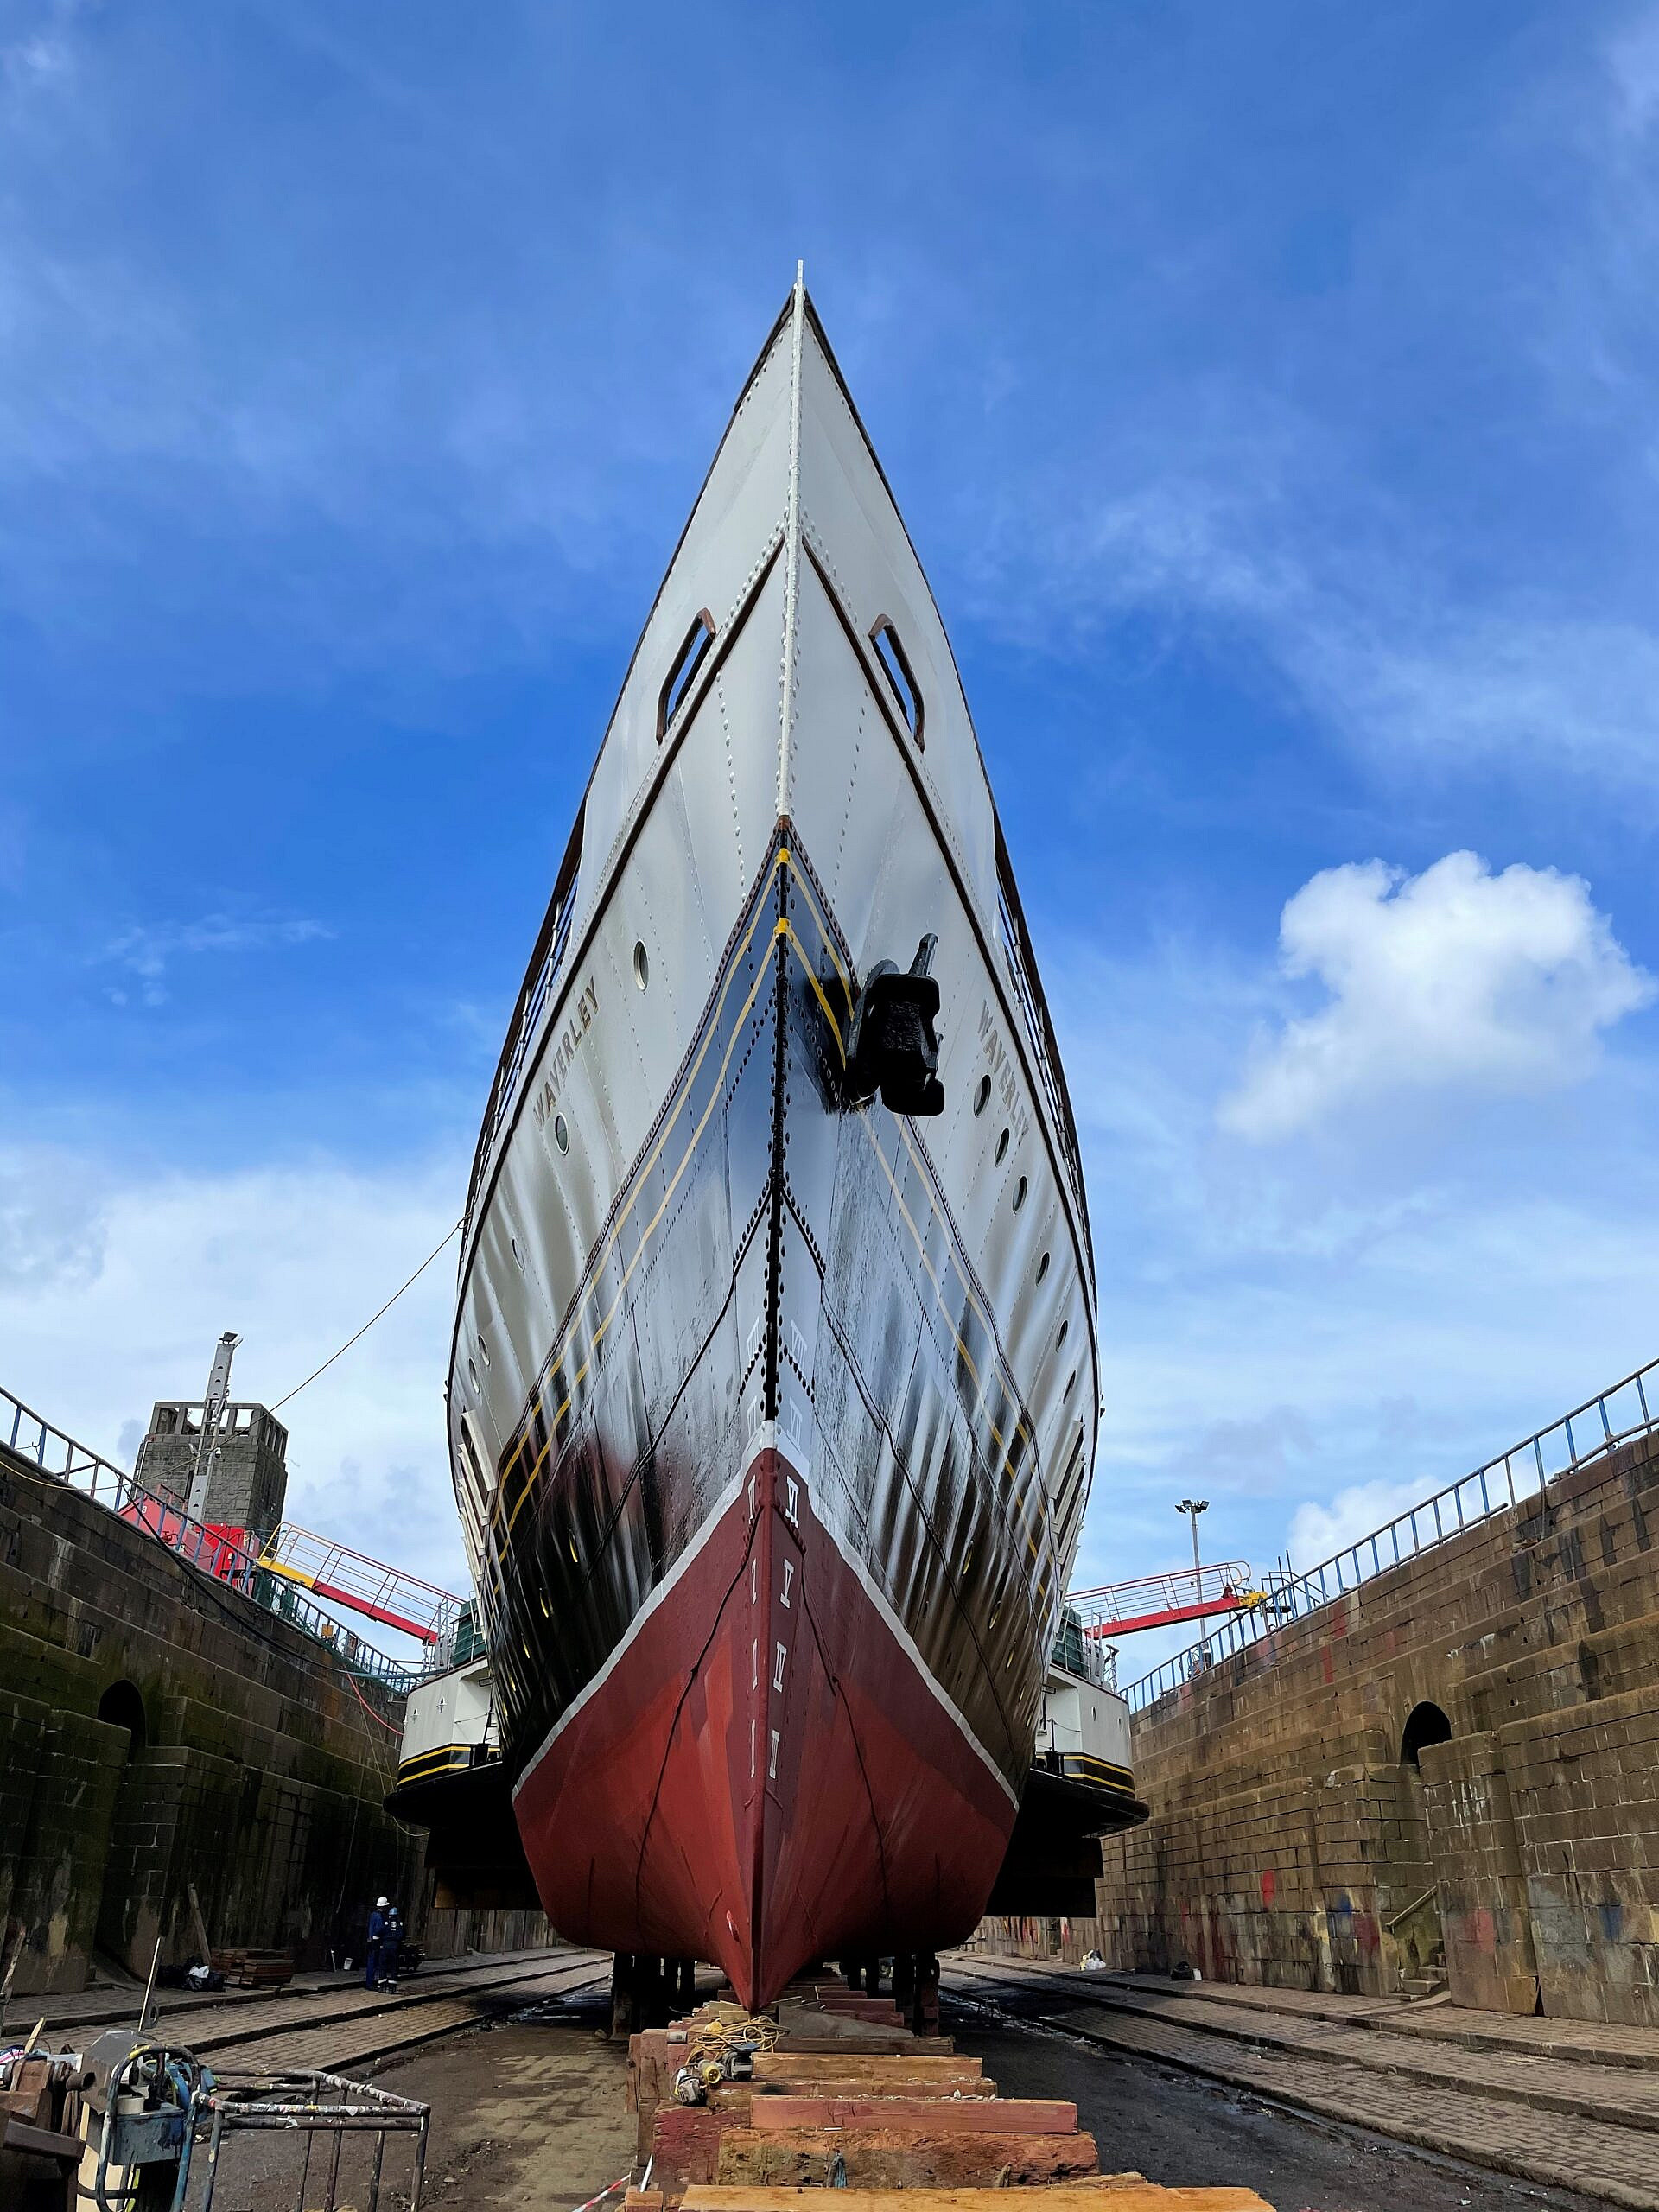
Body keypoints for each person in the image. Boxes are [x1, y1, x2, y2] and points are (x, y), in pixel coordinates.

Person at [365, 1896, 391, 1988]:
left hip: (371, 1940)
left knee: (371, 1962)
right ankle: (371, 1983)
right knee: (375, 1963)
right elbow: (380, 1928)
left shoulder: (373, 1915)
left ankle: (369, 1982)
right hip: (377, 1941)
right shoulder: (380, 1917)